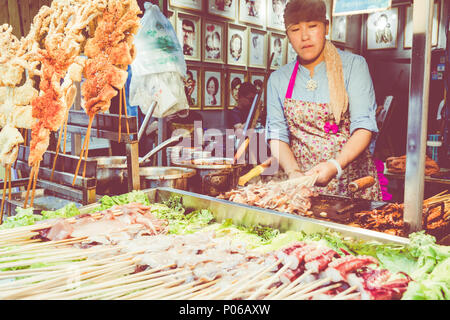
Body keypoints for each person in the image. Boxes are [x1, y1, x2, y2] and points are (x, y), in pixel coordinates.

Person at [265, 0, 382, 200]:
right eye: (295, 29)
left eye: (312, 26)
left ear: (326, 27)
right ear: (287, 35)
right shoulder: (278, 79)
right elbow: (277, 135)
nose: (304, 37)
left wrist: (335, 165)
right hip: (303, 188)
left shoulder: (354, 66)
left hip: (352, 184)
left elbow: (364, 127)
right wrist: (294, 173)